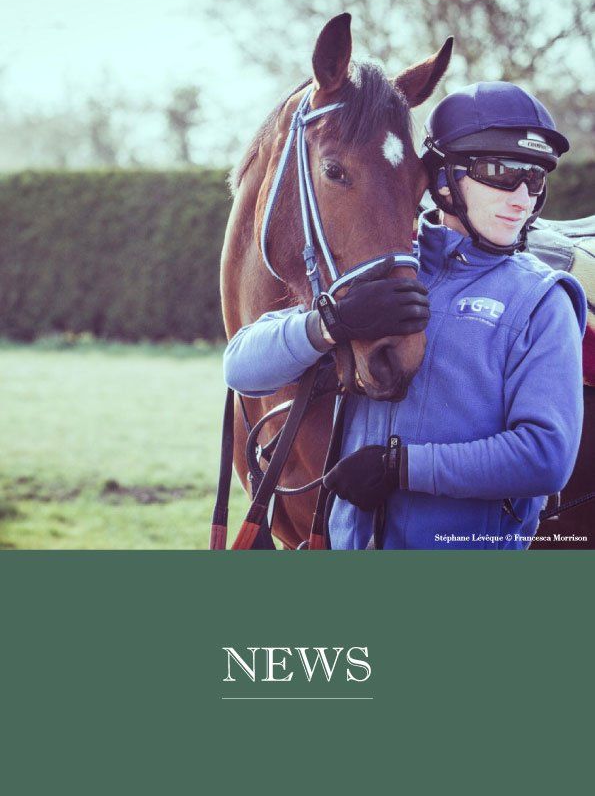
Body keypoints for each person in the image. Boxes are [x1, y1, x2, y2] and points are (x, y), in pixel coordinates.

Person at [223, 82, 586, 549]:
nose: (522, 199)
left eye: (535, 179)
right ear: (445, 180)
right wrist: (328, 324)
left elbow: (547, 457)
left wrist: (401, 467)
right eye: (501, 173)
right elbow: (241, 368)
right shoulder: (378, 273)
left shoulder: (544, 300)